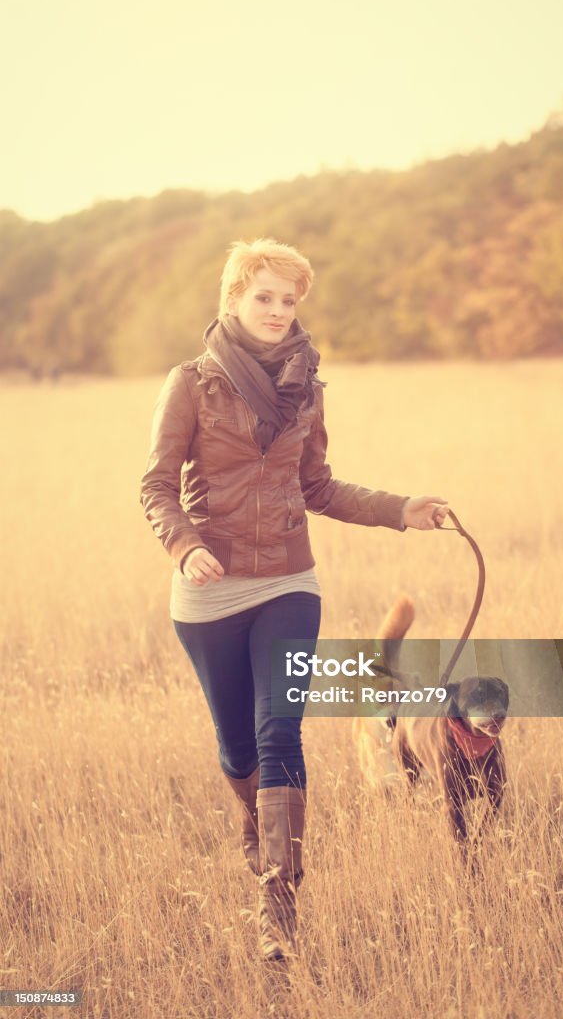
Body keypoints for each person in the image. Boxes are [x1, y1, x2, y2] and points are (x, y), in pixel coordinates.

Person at [139, 238, 449, 963]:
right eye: (264, 297)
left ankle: (279, 906)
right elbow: (154, 486)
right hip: (208, 591)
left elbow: (317, 487)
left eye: (289, 300)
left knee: (282, 732)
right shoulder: (190, 383)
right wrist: (186, 546)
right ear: (232, 299)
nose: (278, 312)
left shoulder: (306, 387)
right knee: (237, 747)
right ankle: (255, 822)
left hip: (288, 580)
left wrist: (401, 507)